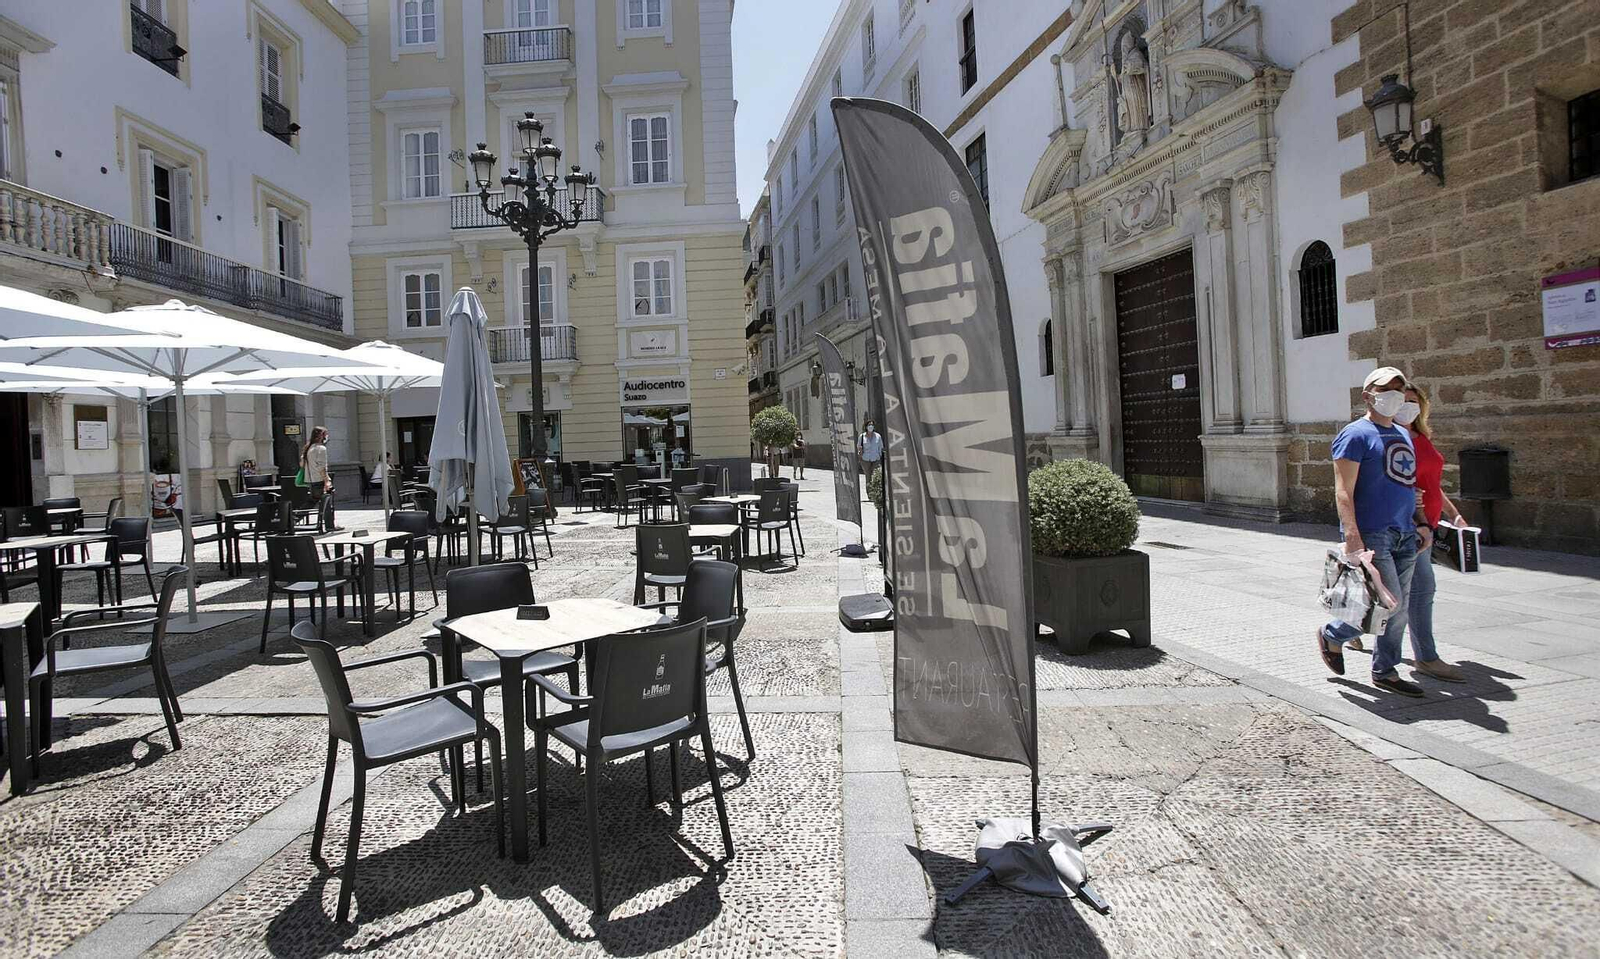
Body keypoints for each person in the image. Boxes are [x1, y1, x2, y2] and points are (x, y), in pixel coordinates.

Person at [1317, 367, 1426, 697]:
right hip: (1373, 533)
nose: (1394, 394)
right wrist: (1352, 535)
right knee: (1386, 604)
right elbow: (1343, 490)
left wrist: (1421, 522)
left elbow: (1407, 482)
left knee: (1399, 606)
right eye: (1385, 389)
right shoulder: (1355, 435)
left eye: (1399, 388)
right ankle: (1333, 634)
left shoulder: (1403, 434)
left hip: (1405, 531)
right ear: (1368, 396)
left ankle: (1385, 670)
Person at [1391, 383, 1467, 682]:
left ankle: (1343, 630)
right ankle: (1426, 657)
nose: (1408, 407)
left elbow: (1433, 484)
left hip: (1429, 524)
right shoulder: (1391, 438)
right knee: (1422, 589)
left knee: (1392, 590)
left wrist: (1453, 513)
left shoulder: (1421, 436)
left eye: (1413, 401)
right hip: (1409, 524)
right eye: (1402, 401)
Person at [302, 426, 335, 531]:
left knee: (315, 501)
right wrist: (327, 481)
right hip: (319, 479)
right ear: (321, 436)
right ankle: (329, 526)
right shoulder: (321, 449)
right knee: (324, 501)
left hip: (311, 479)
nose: (327, 436)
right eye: (325, 434)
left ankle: (292, 520)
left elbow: (301, 464)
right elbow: (322, 467)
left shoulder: (308, 448)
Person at [858, 419, 883, 496]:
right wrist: (860, 456)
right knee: (868, 477)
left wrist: (880, 455)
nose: (871, 426)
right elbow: (859, 446)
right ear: (866, 427)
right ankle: (870, 494)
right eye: (869, 425)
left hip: (876, 459)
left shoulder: (878, 436)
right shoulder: (862, 436)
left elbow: (881, 447)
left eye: (872, 425)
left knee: (875, 477)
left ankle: (876, 494)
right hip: (865, 460)